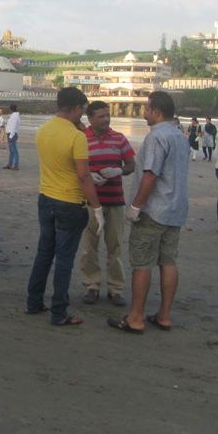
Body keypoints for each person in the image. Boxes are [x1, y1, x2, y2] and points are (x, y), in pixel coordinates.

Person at [110, 91, 189, 334]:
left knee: (142, 263)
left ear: (157, 112)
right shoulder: (180, 136)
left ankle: (136, 317)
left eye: (146, 109)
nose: (144, 114)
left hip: (154, 209)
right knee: (168, 261)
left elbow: (151, 174)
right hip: (175, 209)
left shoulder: (157, 137)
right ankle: (164, 315)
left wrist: (136, 205)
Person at [24, 87, 104, 326]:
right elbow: (83, 175)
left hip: (46, 197)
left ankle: (34, 301)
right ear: (77, 108)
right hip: (70, 202)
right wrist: (97, 207)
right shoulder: (77, 137)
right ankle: (59, 311)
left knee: (44, 253)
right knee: (64, 260)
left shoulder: (43, 130)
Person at [78, 100, 136, 306]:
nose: (106, 119)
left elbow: (131, 164)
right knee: (89, 247)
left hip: (115, 201)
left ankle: (116, 288)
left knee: (115, 246)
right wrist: (89, 175)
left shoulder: (119, 139)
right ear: (90, 119)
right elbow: (75, 167)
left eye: (107, 115)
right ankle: (91, 286)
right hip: (89, 202)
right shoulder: (81, 139)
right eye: (101, 116)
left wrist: (118, 170)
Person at [4, 103, 21, 170]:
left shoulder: (14, 117)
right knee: (11, 151)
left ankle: (16, 166)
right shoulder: (15, 116)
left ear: (10, 109)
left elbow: (13, 127)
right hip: (11, 134)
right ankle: (10, 164)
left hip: (12, 134)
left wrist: (11, 136)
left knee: (14, 151)